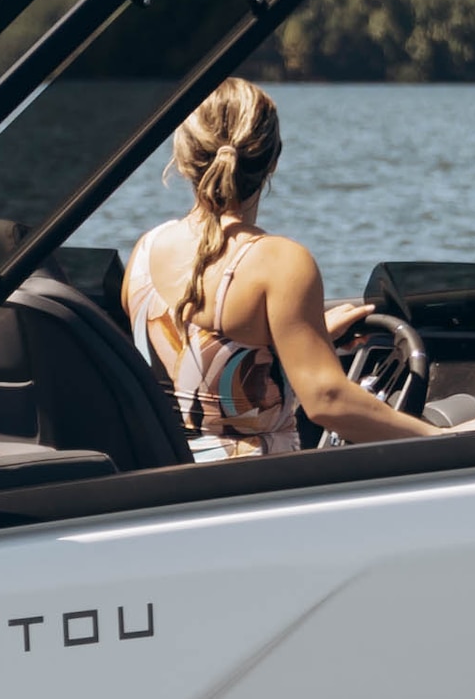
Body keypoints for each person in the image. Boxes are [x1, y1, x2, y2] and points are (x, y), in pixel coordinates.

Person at [123, 78, 431, 455]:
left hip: (166, 478)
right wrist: (450, 440)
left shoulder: (145, 249)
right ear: (273, 159)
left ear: (183, 155)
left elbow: (194, 370)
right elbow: (328, 401)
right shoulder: (279, 262)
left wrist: (300, 343)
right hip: (255, 491)